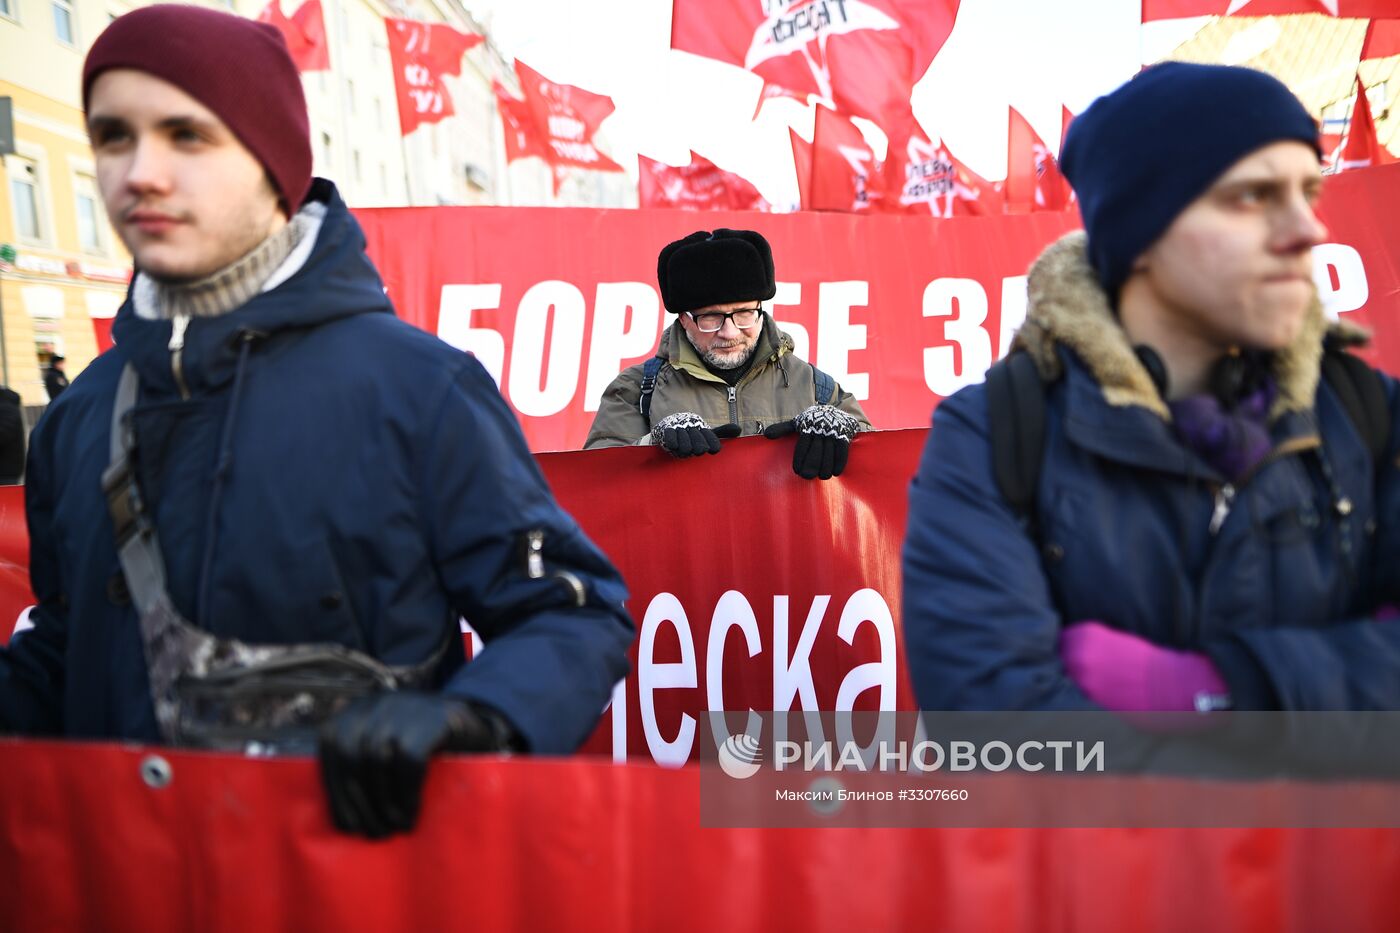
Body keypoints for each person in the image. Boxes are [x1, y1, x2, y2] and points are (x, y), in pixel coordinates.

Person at [0, 6, 634, 839]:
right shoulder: (79, 416)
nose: (139, 172)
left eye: (187, 136)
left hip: (352, 880)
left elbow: (575, 612)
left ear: (272, 164)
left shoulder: (419, 388)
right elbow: (70, 639)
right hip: (120, 885)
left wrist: (478, 715)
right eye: (114, 135)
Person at [902, 63, 1400, 719]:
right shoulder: (995, 433)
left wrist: (1213, 690)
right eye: (1252, 196)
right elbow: (1000, 728)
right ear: (1141, 233)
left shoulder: (1370, 414)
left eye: (1309, 191)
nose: (1309, 229)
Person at [585, 229, 870, 480]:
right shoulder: (636, 391)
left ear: (760, 309)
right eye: (711, 318)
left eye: (745, 313)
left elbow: (879, 469)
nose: (730, 332)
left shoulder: (816, 386)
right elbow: (596, 481)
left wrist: (848, 434)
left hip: (784, 541)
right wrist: (652, 445)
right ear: (684, 319)